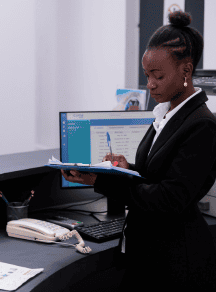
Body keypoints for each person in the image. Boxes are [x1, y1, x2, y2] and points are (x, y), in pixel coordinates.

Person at [61, 11, 216, 291]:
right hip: (151, 251)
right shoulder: (166, 114)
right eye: (147, 75)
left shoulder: (202, 124)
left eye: (158, 75)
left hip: (176, 261)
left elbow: (170, 198)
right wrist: (128, 168)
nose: (150, 84)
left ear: (186, 71)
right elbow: (156, 173)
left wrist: (104, 180)